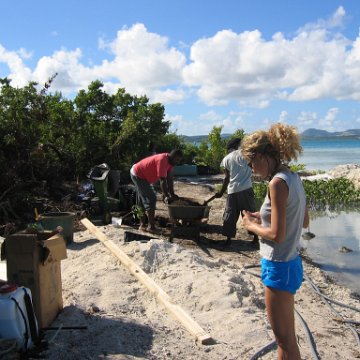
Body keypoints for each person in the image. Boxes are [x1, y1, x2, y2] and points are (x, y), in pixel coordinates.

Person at [240, 123, 309, 360]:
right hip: (291, 263)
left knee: (285, 341)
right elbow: (303, 219)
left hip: (278, 265)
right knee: (286, 340)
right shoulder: (293, 177)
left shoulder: (276, 183)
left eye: (251, 163)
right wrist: (264, 216)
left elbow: (277, 236)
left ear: (260, 156)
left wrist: (251, 226)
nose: (252, 169)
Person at [215, 138, 258, 246]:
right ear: (239, 145)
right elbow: (253, 167)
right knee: (250, 213)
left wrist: (221, 192)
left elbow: (226, 178)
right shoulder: (245, 154)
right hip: (246, 188)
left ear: (229, 148)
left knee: (230, 215)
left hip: (232, 191)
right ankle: (255, 238)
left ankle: (229, 240)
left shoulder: (226, 159)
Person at [130, 149, 183, 233]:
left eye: (179, 160)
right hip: (138, 174)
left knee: (141, 201)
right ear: (171, 156)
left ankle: (142, 225)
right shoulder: (162, 160)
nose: (178, 162)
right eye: (177, 160)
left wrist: (172, 194)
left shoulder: (170, 163)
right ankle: (151, 227)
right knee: (151, 198)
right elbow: (162, 180)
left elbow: (169, 179)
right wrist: (166, 195)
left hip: (144, 176)